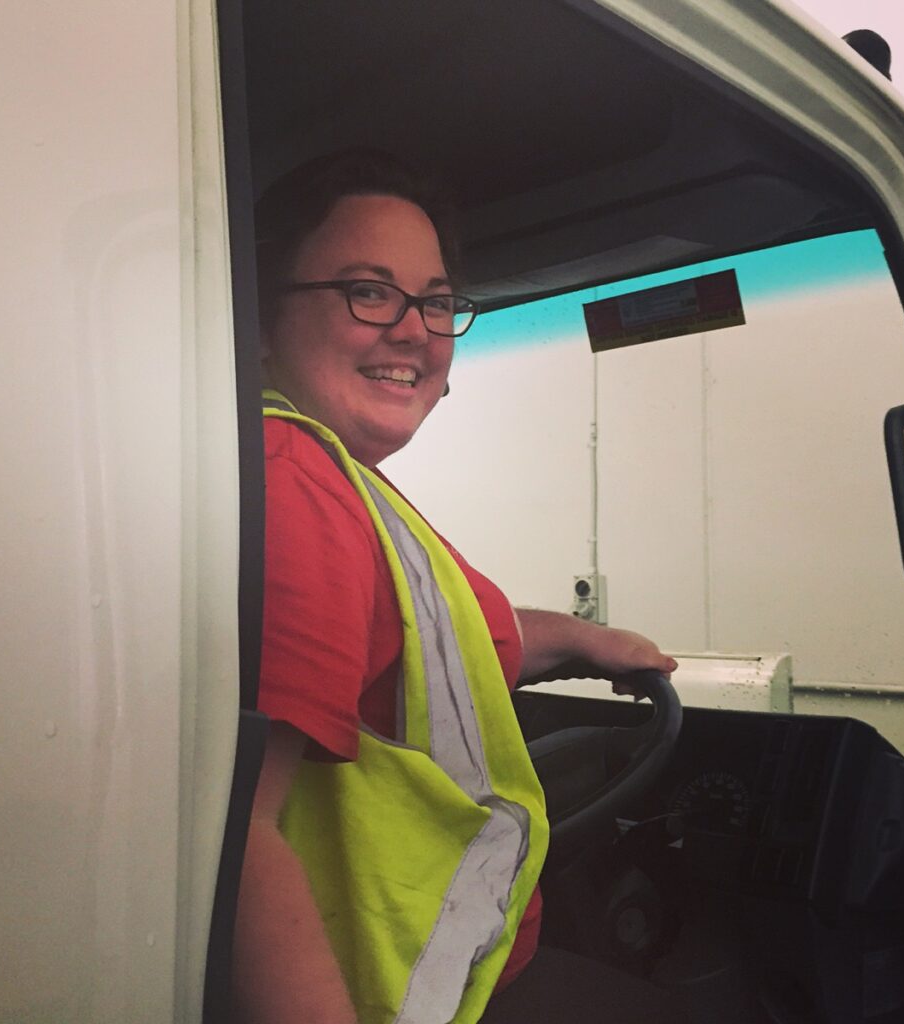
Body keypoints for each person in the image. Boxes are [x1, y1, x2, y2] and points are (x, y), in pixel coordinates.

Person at [233, 149, 679, 1024]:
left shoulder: (337, 483)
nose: (415, 330)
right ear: (261, 321)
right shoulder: (298, 479)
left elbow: (459, 630)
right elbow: (238, 839)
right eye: (369, 290)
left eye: (436, 301)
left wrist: (590, 640)